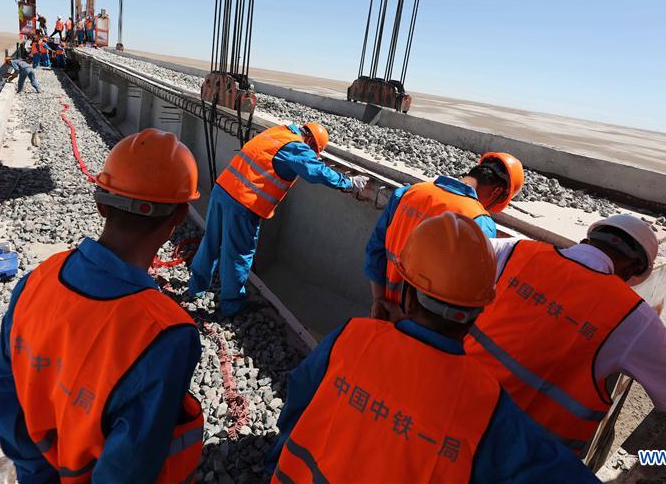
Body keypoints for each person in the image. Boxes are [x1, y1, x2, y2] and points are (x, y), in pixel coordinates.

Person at [267, 213, 596, 483]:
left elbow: (297, 404)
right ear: (478, 312)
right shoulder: (486, 403)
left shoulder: (352, 336)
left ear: (408, 292)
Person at [464, 214, 666, 475]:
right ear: (634, 270)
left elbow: (446, 243)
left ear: (588, 239)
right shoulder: (632, 317)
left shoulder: (514, 251)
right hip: (526, 459)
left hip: (450, 411)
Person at [0, 129, 205, 483]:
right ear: (178, 218)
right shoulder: (166, 335)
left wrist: (35, 471)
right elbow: (129, 464)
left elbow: (1, 384)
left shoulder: (40, 277)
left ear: (101, 204)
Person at [188, 123, 368, 317]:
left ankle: (196, 287)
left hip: (222, 189)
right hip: (243, 204)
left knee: (211, 242)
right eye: (314, 151)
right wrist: (349, 183)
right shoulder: (296, 146)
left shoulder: (278, 131)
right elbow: (316, 172)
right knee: (237, 254)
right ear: (309, 142)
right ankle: (232, 305)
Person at [364, 152, 524, 321]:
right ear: (497, 192)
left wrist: (379, 300)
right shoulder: (479, 222)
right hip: (424, 327)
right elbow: (463, 293)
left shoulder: (408, 193)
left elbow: (375, 250)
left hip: (384, 310)